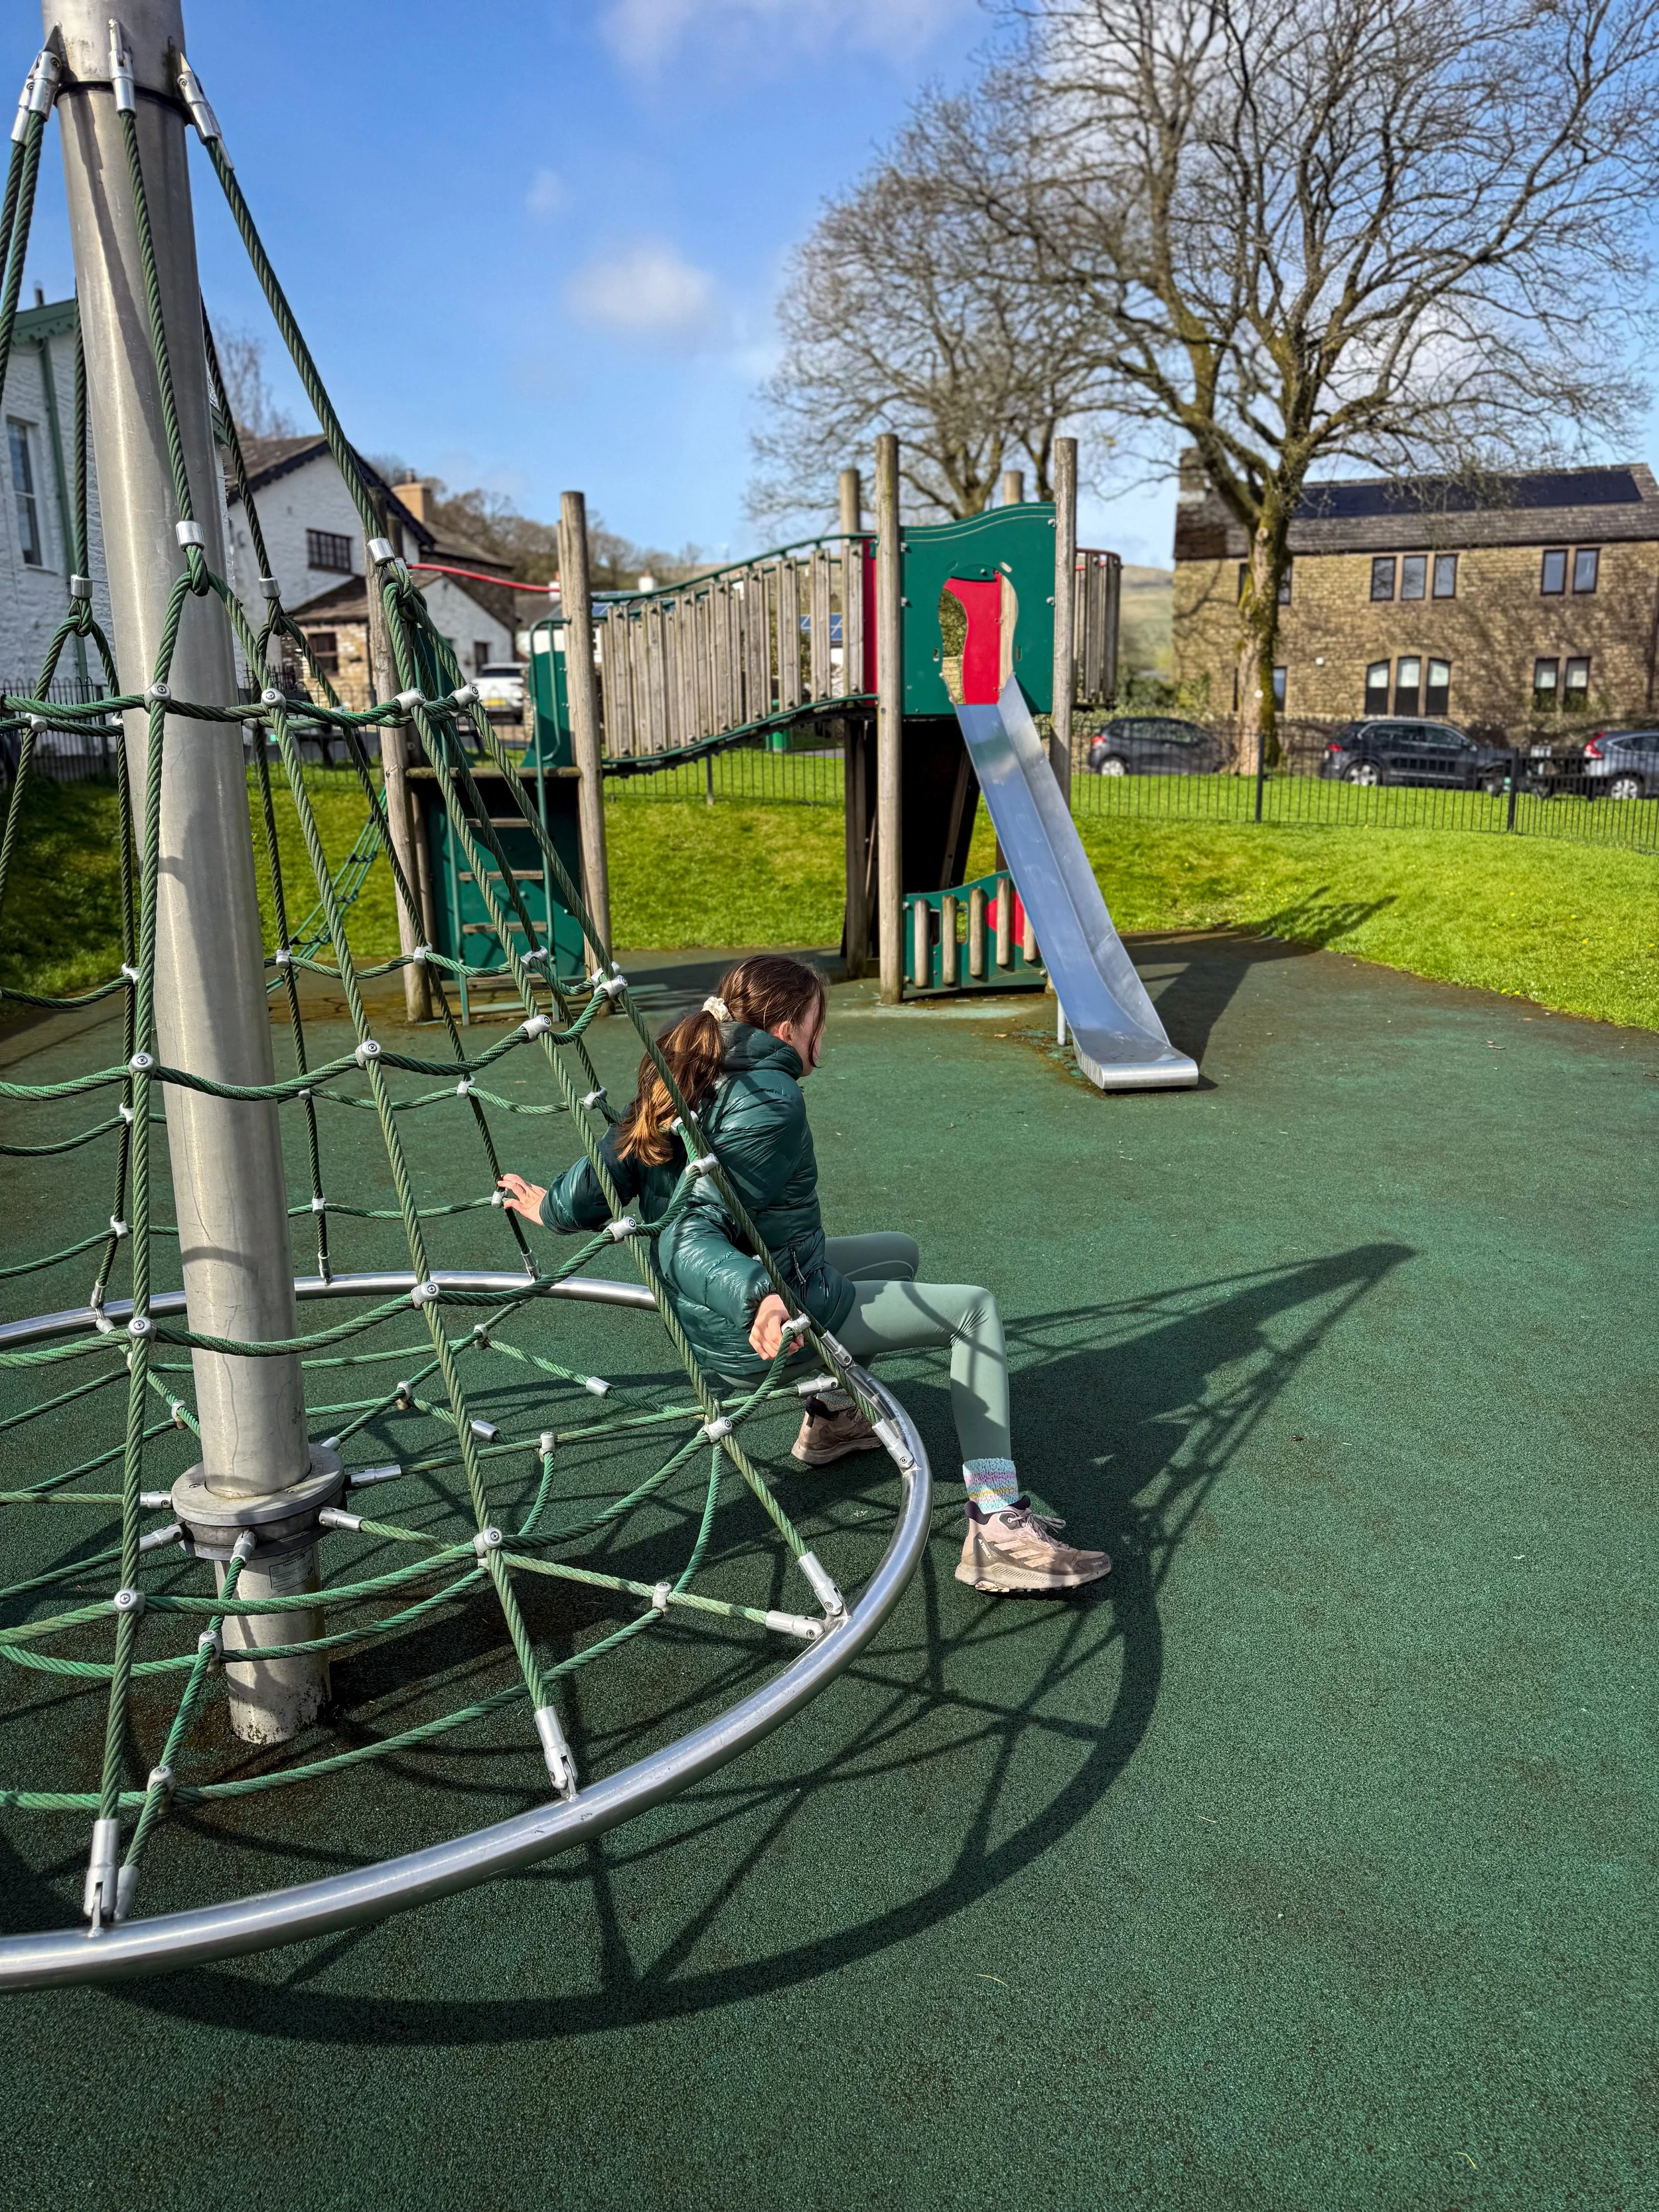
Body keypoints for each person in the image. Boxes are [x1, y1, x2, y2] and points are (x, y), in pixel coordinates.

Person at [498, 954, 1109, 1596]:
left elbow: (607, 1174)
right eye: (820, 1023)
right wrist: (759, 1298)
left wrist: (554, 1207)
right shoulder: (769, 1099)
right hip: (758, 1317)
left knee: (897, 1251)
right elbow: (688, 1231)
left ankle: (834, 1419)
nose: (826, 1039)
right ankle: (996, 1524)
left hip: (711, 1301)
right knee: (973, 1310)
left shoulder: (687, 1069)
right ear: (788, 1030)